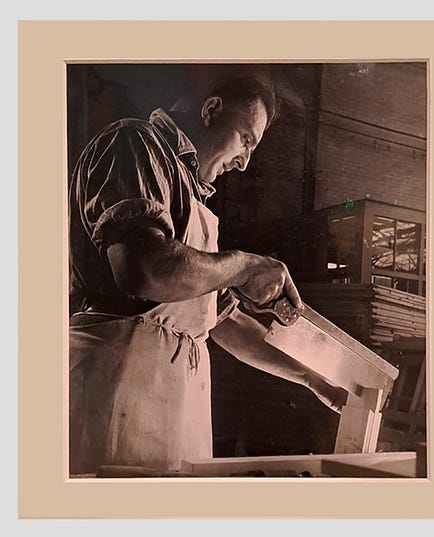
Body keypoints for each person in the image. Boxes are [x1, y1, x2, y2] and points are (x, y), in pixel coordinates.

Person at [69, 74, 348, 475]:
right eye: (246, 139)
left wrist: (311, 378)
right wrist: (245, 266)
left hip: (174, 412)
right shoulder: (135, 144)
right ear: (211, 109)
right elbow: (146, 268)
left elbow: (220, 323)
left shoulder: (195, 199)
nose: (245, 161)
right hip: (112, 393)